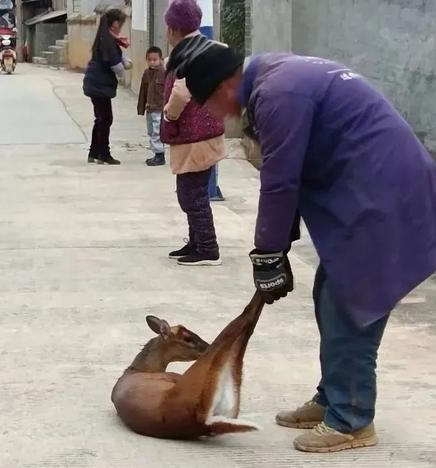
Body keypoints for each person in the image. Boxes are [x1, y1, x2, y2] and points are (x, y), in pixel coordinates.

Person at [176, 41, 436, 452]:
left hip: (385, 196)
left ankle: (351, 418)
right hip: (372, 190)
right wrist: (278, 246)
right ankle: (333, 395)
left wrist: (268, 254)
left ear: (228, 83)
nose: (212, 113)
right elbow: (291, 168)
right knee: (328, 294)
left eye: (208, 101)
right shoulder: (275, 75)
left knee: (351, 304)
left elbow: (280, 181)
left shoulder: (279, 93)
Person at [161, 0, 226, 266]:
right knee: (189, 190)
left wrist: (169, 113)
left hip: (196, 136)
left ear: (175, 28)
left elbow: (181, 91)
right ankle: (196, 241)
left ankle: (208, 249)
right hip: (203, 134)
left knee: (193, 194)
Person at [82, 8, 131, 165]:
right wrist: (124, 72)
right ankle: (104, 153)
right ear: (115, 23)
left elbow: (117, 56)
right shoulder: (108, 40)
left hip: (96, 83)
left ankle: (94, 152)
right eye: (121, 23)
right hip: (99, 85)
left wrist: (124, 61)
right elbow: (115, 64)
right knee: (105, 119)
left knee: (101, 119)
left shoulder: (106, 37)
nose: (121, 26)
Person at [137, 46, 166, 166]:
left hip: (159, 108)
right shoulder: (146, 73)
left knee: (157, 132)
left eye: (155, 59)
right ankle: (156, 153)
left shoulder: (164, 73)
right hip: (150, 108)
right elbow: (143, 91)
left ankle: (160, 155)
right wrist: (141, 108)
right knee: (150, 131)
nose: (152, 62)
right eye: (150, 59)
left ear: (161, 59)